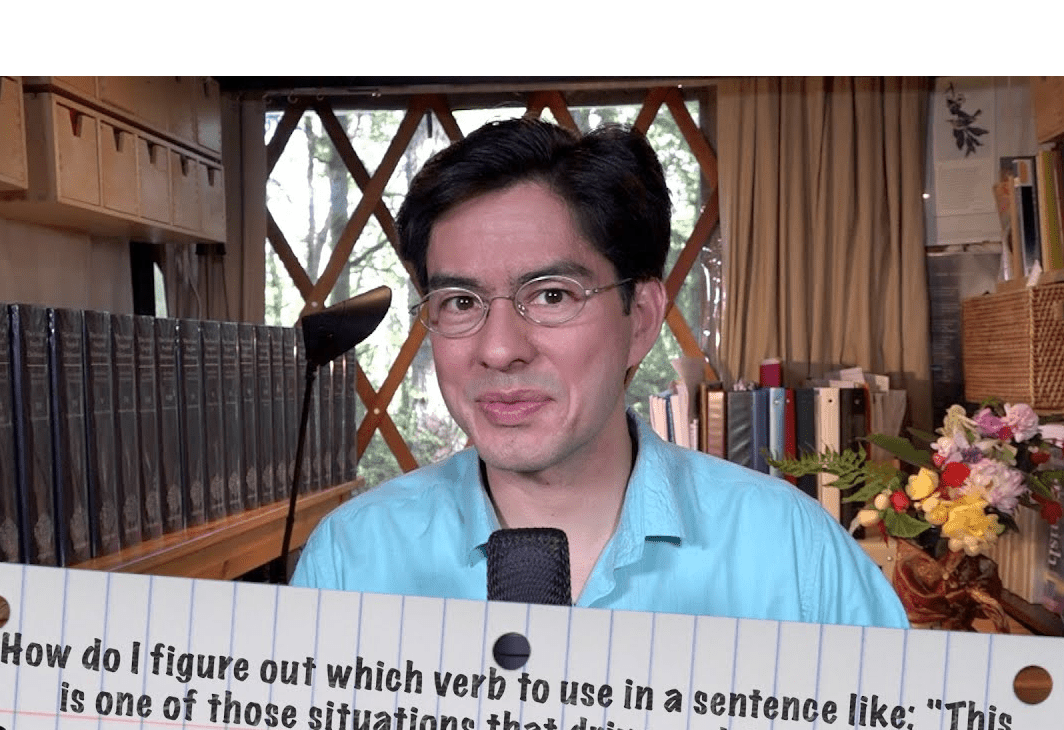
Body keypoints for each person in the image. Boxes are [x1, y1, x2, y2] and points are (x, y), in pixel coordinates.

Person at [291, 117, 908, 629]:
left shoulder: (795, 556)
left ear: (641, 318)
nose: (498, 350)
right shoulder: (351, 561)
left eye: (551, 295)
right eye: (460, 302)